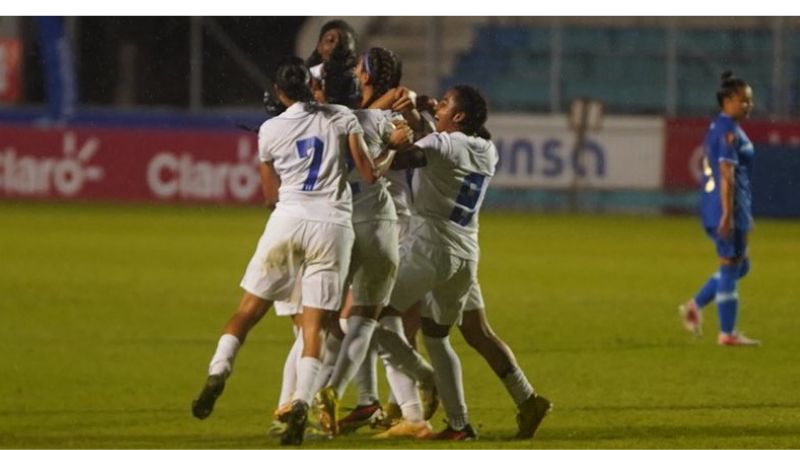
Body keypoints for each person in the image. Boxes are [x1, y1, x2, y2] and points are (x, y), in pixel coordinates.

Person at [191, 57, 377, 446]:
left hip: (288, 222)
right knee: (314, 328)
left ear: (278, 92)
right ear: (311, 87)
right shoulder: (341, 116)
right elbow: (366, 170)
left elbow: (270, 195)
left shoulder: (270, 130)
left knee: (246, 311)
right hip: (332, 226)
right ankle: (300, 404)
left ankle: (219, 369)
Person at [374, 85, 503, 440]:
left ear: (458, 117)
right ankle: (460, 425)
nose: (439, 107)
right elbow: (442, 141)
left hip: (431, 248)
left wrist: (390, 137)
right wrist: (426, 111)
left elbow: (405, 158)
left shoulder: (441, 144)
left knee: (372, 315)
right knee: (437, 337)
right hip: (465, 255)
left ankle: (420, 378)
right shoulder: (487, 150)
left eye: (445, 104)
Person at [679, 70, 760, 347]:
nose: (748, 105)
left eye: (750, 100)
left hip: (728, 205)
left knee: (741, 265)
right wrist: (728, 213)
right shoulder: (727, 131)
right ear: (727, 101)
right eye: (743, 100)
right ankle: (727, 333)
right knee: (729, 267)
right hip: (727, 206)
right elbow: (726, 173)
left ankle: (694, 304)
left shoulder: (721, 126)